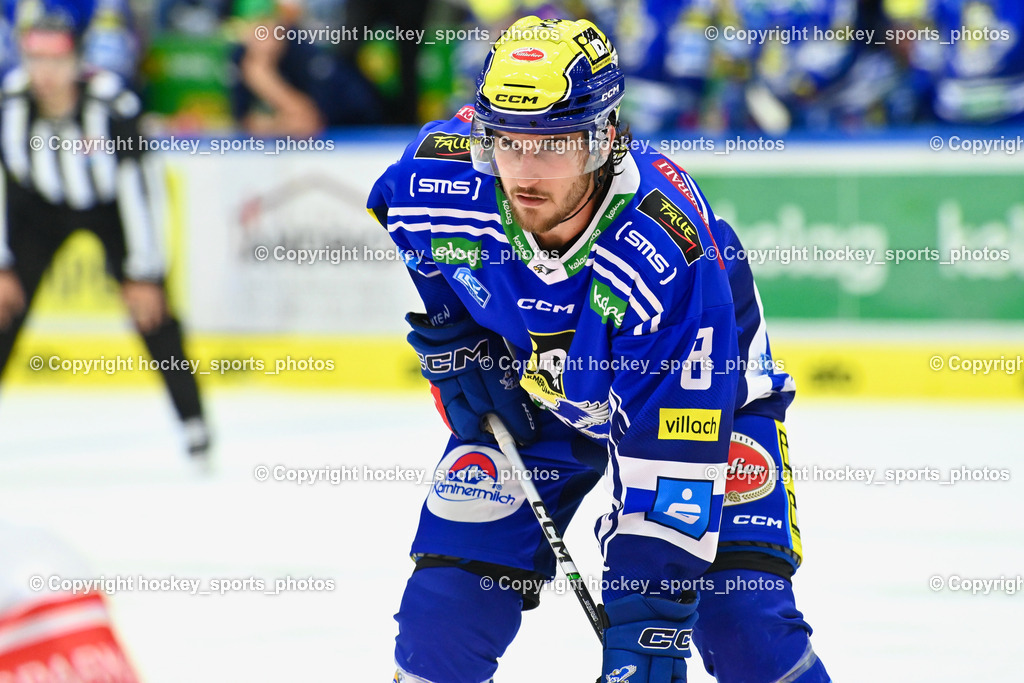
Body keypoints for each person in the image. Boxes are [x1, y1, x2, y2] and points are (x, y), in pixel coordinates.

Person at [367, 16, 829, 683]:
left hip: (702, 404)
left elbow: (677, 448)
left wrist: (649, 619)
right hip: (538, 398)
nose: (524, 173)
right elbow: (403, 218)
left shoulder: (667, 253)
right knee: (441, 617)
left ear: (603, 139)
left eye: (552, 144)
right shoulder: (441, 179)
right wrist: (455, 332)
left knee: (742, 625)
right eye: (506, 143)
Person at [0, 9, 209, 460]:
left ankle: (194, 423)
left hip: (111, 208)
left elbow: (144, 190)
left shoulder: (113, 106)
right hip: (37, 208)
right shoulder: (9, 104)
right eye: (34, 60)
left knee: (153, 315)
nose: (45, 75)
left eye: (56, 62)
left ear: (78, 63)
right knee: (3, 309)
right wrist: (1, 264)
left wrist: (146, 273)